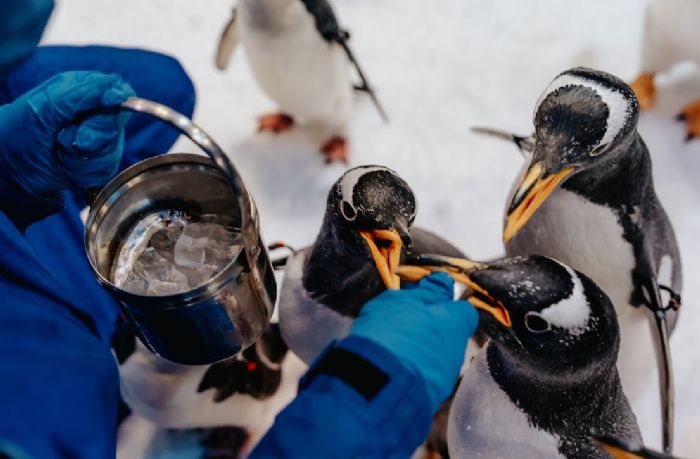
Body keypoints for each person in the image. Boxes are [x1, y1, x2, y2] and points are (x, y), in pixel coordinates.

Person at [0, 2, 480, 457]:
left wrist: (8, 174)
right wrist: (362, 403)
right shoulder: (36, 423)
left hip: (50, 312)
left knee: (160, 84)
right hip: (67, 374)